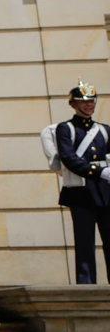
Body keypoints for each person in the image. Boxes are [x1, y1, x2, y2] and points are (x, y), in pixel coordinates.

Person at [56, 81, 110, 284]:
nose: (89, 105)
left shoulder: (104, 129)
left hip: (106, 192)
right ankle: (86, 286)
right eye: (83, 101)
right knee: (85, 243)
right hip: (81, 192)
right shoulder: (66, 129)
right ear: (73, 104)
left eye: (91, 101)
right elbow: (69, 158)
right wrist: (100, 171)